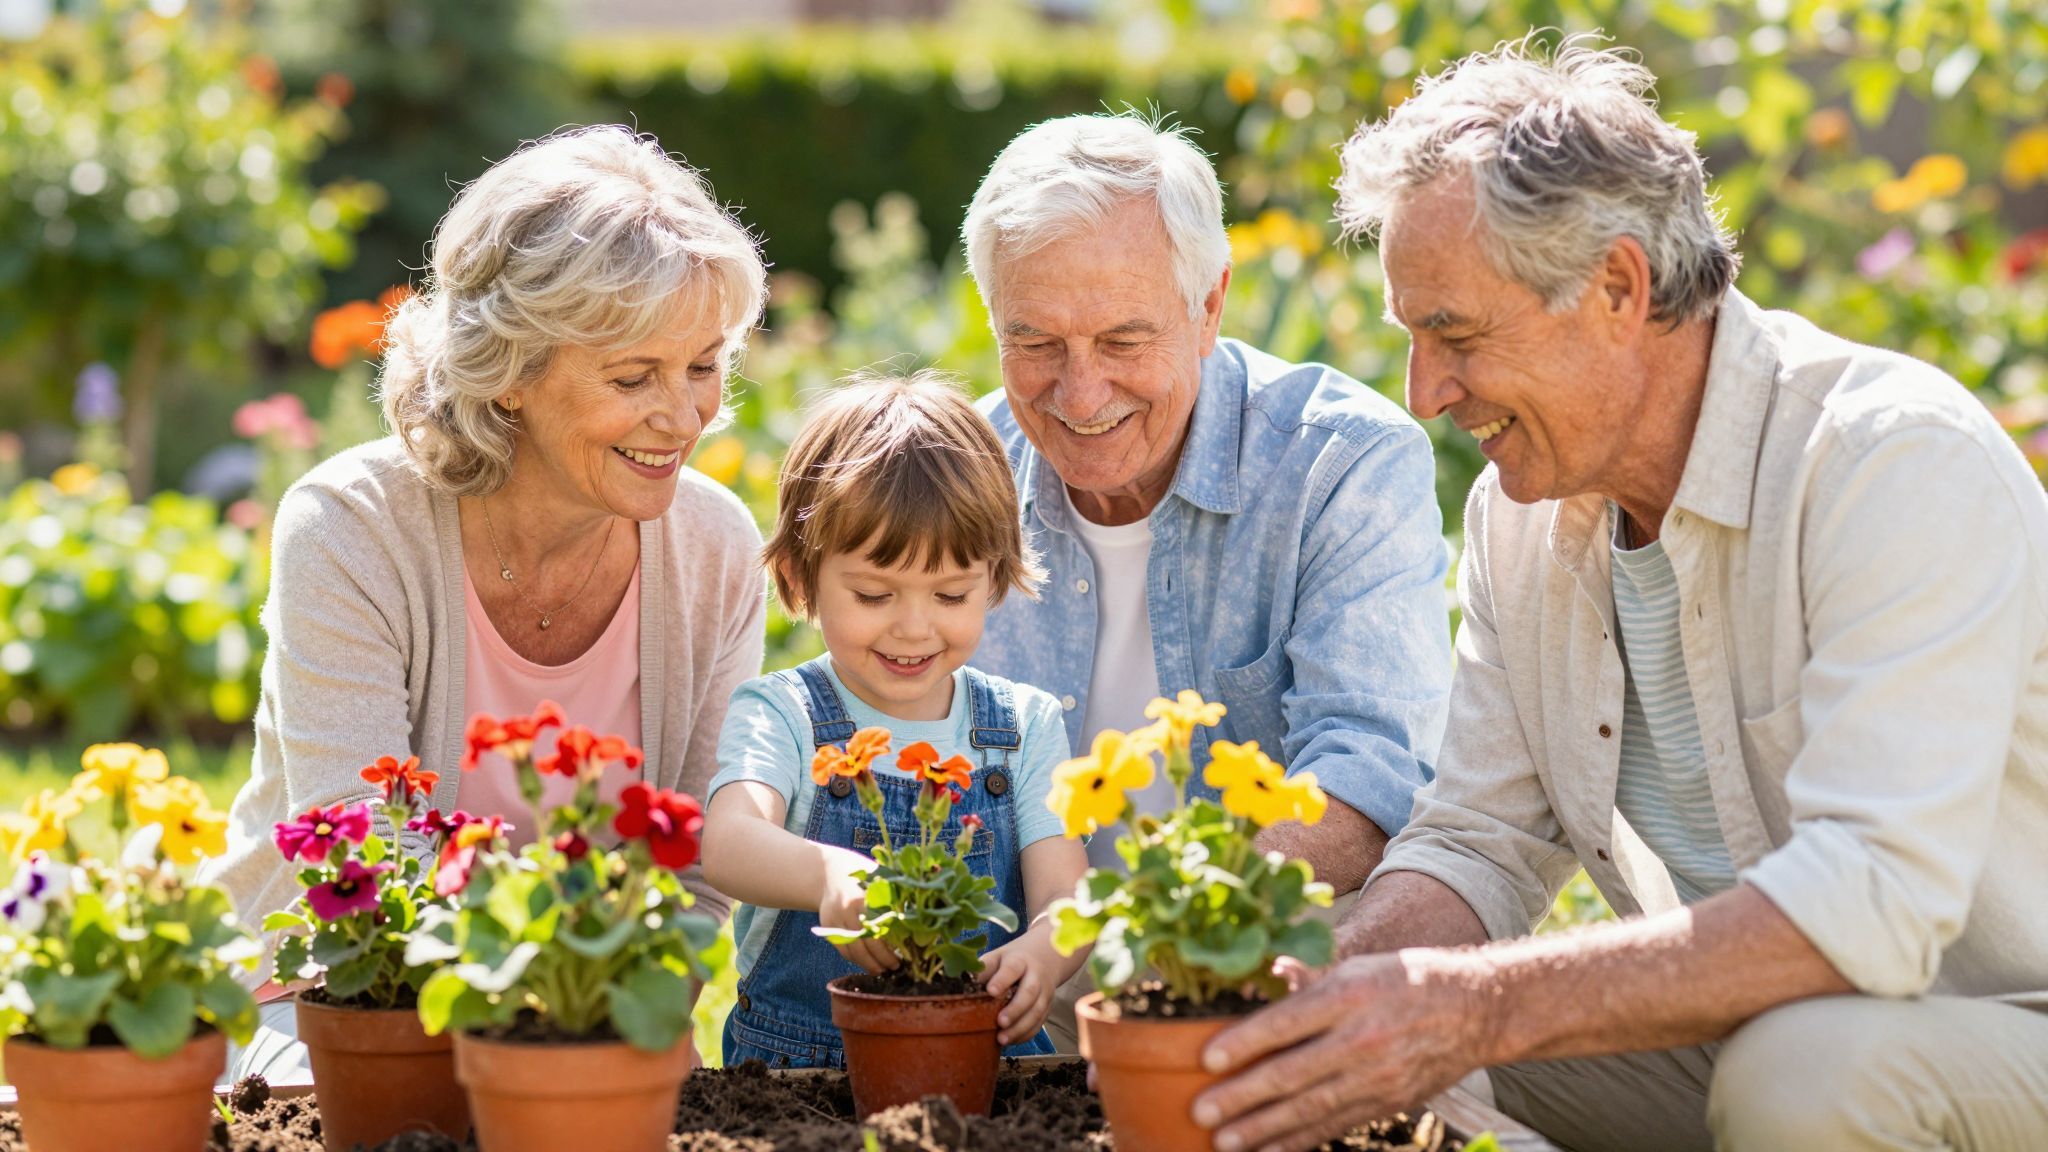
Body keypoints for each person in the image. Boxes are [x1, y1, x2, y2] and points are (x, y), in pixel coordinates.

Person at [1194, 39, 2048, 1152]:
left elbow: (1868, 910)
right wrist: (1336, 988)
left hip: (1994, 1020)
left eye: (1451, 333)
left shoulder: (1885, 462)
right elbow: (1479, 840)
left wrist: (1464, 1006)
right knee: (1327, 1059)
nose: (1424, 391)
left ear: (1615, 286)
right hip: (1747, 1021)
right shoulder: (1519, 516)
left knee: (1802, 1078)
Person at [203, 125, 770, 1081]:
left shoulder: (712, 545)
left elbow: (700, 865)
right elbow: (361, 865)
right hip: (329, 1013)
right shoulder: (352, 527)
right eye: (634, 377)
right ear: (510, 376)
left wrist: (598, 1024)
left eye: (704, 365)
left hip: (582, 1023)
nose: (685, 416)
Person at [961, 112, 1454, 1050]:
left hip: (1256, 986)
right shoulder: (961, 477)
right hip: (1017, 1008)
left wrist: (1156, 931)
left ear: (1210, 304)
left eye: (1122, 340)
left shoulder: (1338, 464)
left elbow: (1369, 770)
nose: (1080, 393)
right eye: (1035, 343)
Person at [700, 371, 1089, 1068]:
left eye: (950, 593)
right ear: (798, 576)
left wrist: (1045, 951)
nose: (914, 628)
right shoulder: (783, 712)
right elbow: (728, 842)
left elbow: (1066, 894)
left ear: (995, 577)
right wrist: (829, 875)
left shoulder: (1022, 726)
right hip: (802, 1073)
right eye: (875, 594)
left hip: (986, 1061)